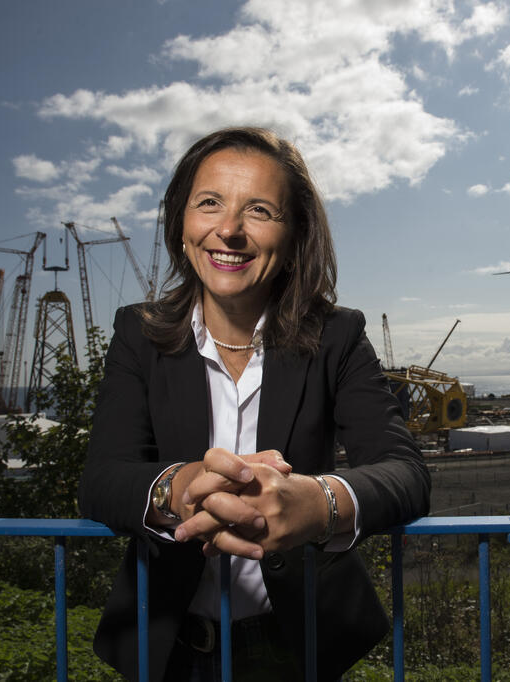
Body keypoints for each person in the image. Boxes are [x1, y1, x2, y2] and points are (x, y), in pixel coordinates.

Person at [79, 126, 430, 681]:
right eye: (209, 203)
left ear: (294, 235)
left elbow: (406, 473)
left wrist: (318, 503)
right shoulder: (137, 334)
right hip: (168, 644)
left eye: (260, 210)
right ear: (181, 220)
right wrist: (180, 487)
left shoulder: (338, 336)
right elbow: (100, 479)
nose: (228, 230)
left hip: (298, 641)